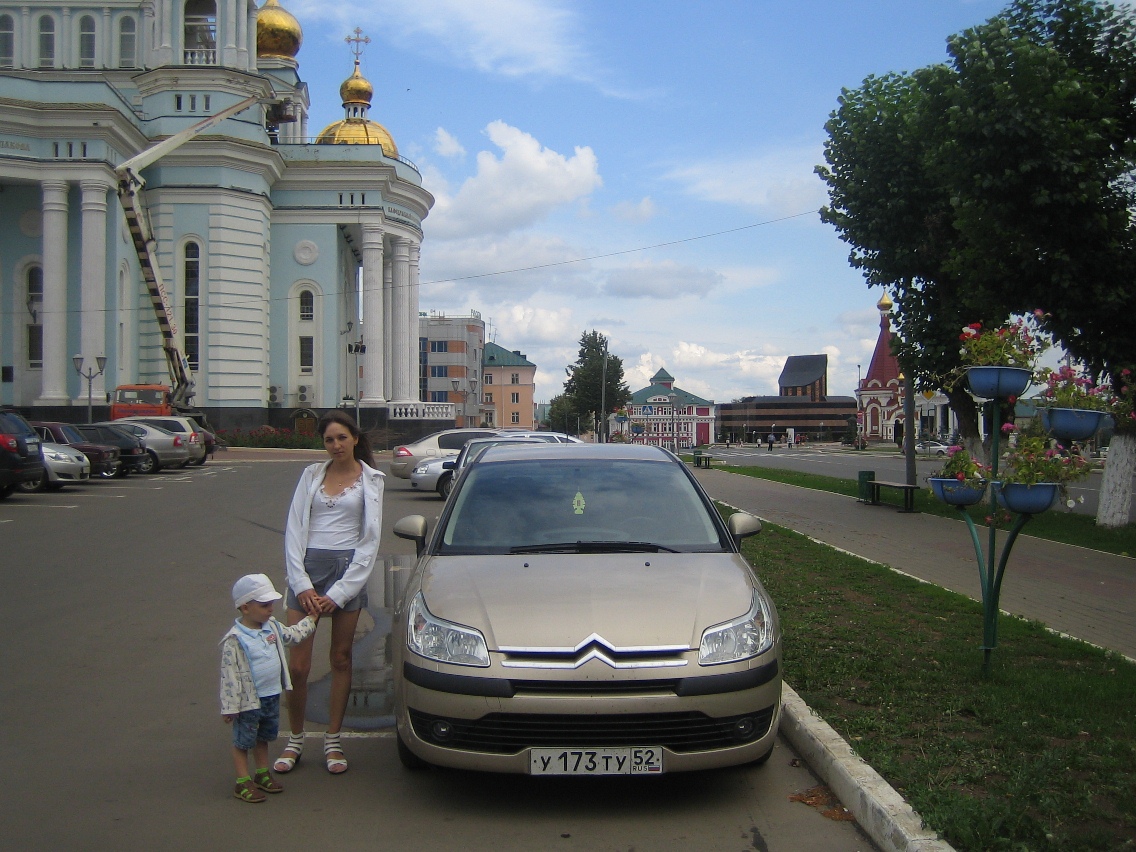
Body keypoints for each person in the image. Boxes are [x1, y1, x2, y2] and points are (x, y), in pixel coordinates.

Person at [273, 410, 384, 776]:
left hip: (347, 573)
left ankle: (333, 740)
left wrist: (338, 593)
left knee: (340, 659)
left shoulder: (372, 480)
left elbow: (369, 542)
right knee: (298, 665)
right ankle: (295, 738)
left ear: (354, 439)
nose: (336, 445)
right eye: (329, 440)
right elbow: (294, 530)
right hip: (308, 571)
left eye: (341, 438)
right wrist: (302, 584)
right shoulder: (311, 475)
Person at [221, 573, 318, 803]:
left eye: (271, 604)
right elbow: (229, 676)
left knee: (262, 736)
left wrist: (311, 620)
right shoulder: (235, 640)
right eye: (264, 606)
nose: (270, 610)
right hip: (248, 702)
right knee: (243, 741)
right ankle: (242, 781)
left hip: (271, 695)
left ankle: (262, 773)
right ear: (245, 608)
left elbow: (293, 635)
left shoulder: (272, 627)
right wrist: (230, 706)